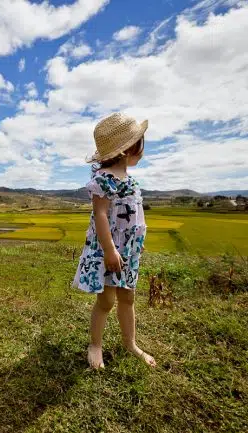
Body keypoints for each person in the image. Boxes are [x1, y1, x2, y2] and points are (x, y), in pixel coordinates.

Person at [72, 112, 156, 369]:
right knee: (106, 300)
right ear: (128, 150)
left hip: (128, 251)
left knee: (128, 297)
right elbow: (99, 215)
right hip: (110, 250)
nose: (141, 151)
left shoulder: (131, 180)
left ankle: (130, 343)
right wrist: (109, 250)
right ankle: (95, 345)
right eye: (139, 145)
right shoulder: (103, 180)